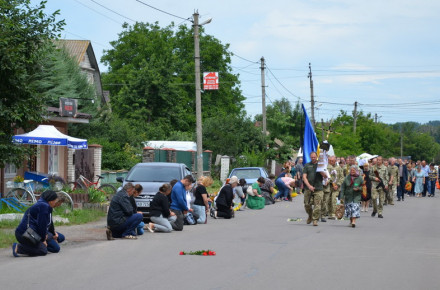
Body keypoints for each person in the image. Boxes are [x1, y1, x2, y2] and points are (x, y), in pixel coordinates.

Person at [13, 190, 61, 257]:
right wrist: (43, 239)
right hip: (25, 233)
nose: (55, 203)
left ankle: (37, 246)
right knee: (42, 251)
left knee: (57, 242)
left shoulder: (43, 204)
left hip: (34, 231)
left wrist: (52, 233)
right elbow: (42, 225)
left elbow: (49, 223)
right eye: (55, 201)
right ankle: (19, 247)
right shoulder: (44, 207)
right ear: (51, 201)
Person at [302, 151, 324, 226]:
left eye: (314, 157)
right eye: (312, 157)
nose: (313, 158)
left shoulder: (321, 165)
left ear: (317, 156)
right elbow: (304, 177)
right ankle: (310, 216)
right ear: (310, 157)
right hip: (308, 188)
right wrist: (309, 186)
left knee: (317, 205)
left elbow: (326, 176)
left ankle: (315, 219)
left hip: (318, 188)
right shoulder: (307, 165)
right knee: (307, 204)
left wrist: (321, 170)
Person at [326, 155, 344, 220]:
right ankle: (330, 213)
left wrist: (338, 185)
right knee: (329, 200)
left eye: (332, 161)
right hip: (328, 187)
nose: (331, 162)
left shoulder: (339, 168)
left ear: (335, 161)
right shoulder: (326, 167)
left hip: (336, 187)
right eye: (330, 161)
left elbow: (342, 178)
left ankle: (333, 213)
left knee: (333, 199)